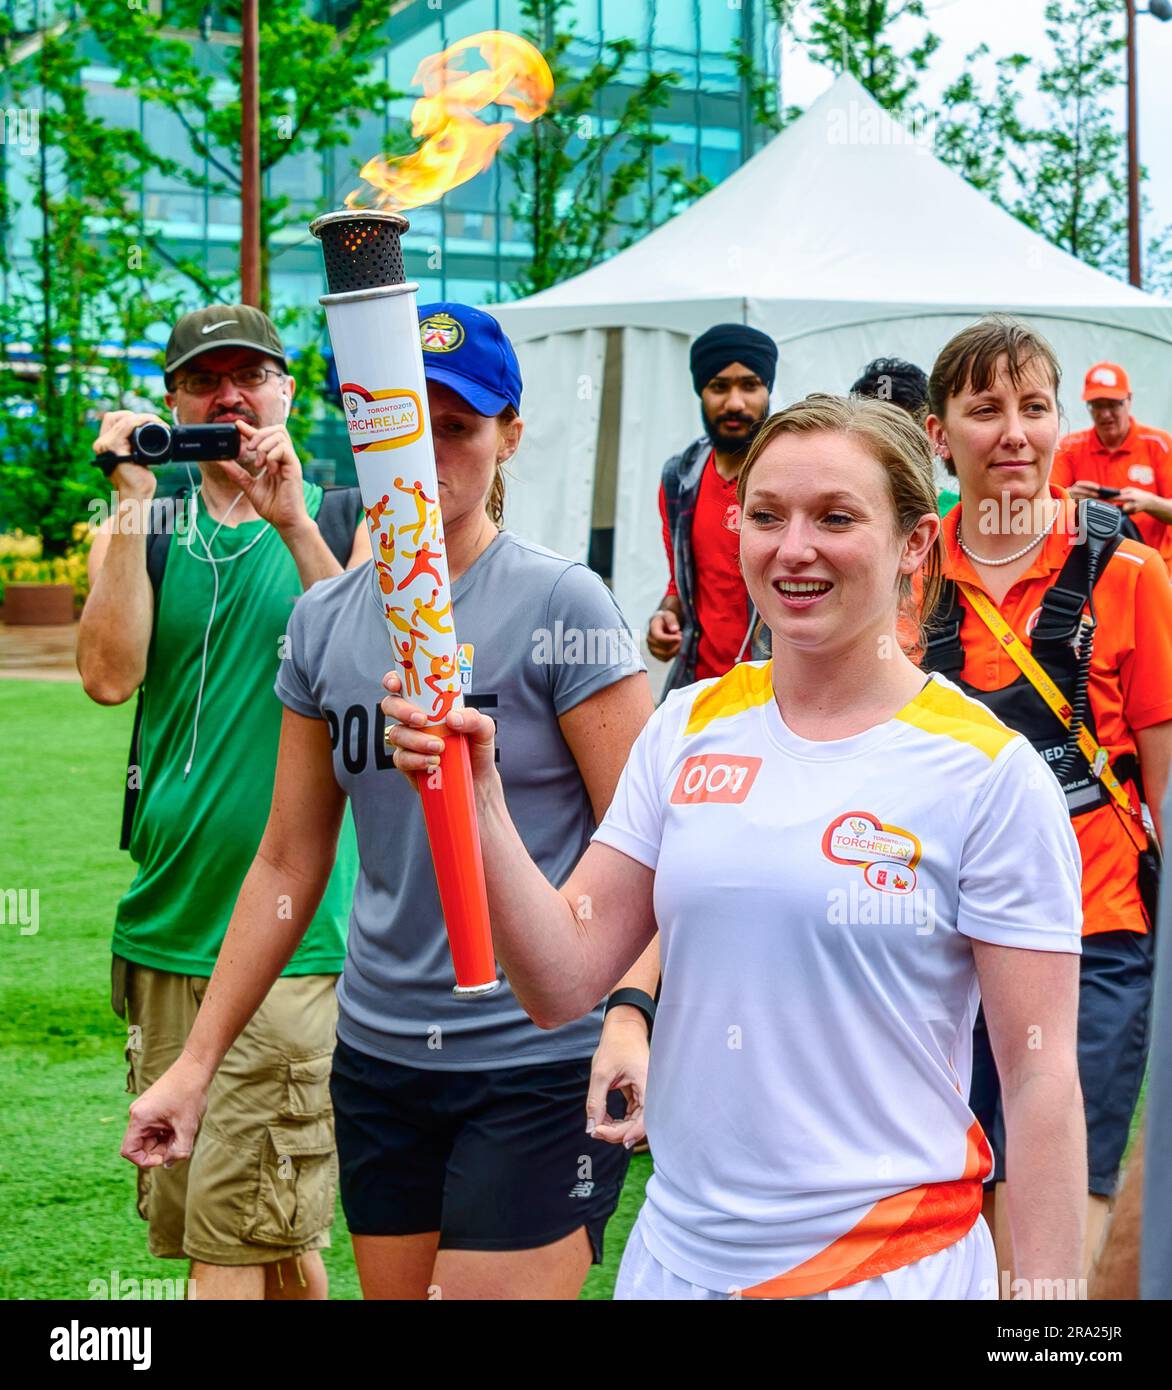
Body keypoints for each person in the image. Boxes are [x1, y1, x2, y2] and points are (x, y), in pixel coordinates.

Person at [387, 392, 1087, 1301]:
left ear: (917, 544)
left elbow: (1039, 1080)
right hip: (677, 1259)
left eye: (836, 518)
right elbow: (560, 978)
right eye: (767, 516)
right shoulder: (689, 725)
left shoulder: (988, 774)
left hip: (883, 1267)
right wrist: (481, 798)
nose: (794, 548)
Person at [118, 303, 660, 1301]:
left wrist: (629, 1014)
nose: (427, 451)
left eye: (456, 426)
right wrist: (194, 1066)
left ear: (508, 436)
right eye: (399, 424)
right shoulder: (322, 621)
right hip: (377, 1060)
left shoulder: (560, 604)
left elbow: (648, 847)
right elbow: (288, 862)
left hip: (534, 1061)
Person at [79, 304, 365, 1301]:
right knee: (254, 1229)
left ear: (288, 391)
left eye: (250, 376)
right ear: (171, 402)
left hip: (293, 935)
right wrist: (127, 498)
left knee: (229, 1247)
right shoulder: (146, 524)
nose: (229, 397)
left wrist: (289, 518)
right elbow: (110, 675)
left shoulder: (336, 516)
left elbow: (368, 668)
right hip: (165, 924)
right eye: (205, 382)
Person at [922, 316, 1172, 1286]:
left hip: (1093, 929)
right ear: (939, 434)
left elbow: (1161, 767)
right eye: (984, 409)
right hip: (939, 936)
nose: (1013, 432)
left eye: (1033, 406)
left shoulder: (1130, 572)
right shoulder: (905, 575)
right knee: (954, 1191)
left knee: (1060, 1198)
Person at [648, 324, 776, 692]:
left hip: (777, 686)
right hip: (698, 687)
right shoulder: (680, 476)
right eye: (719, 387)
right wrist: (665, 618)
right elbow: (679, 582)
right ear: (701, 392)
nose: (735, 403)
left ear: (767, 390)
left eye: (749, 385)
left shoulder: (793, 474)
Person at [1052, 361, 1172, 567]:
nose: (1105, 414)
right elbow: (1042, 507)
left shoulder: (1160, 445)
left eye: (1112, 404)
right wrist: (1068, 497)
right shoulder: (1070, 447)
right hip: (1090, 568)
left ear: (1129, 400)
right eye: (1097, 405)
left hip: (1156, 567)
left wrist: (1150, 503)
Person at [851, 355, 958, 520]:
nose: (892, 450)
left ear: (934, 436)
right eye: (878, 434)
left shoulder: (963, 518)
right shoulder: (843, 515)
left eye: (906, 435)